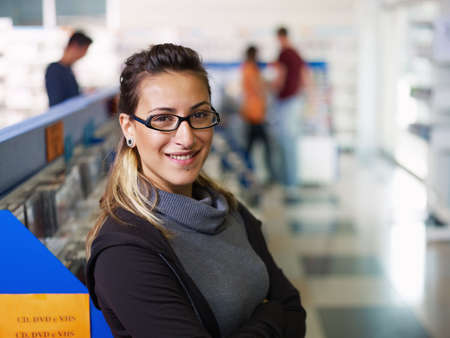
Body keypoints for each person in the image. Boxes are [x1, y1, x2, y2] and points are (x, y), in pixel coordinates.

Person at [85, 43, 306, 338]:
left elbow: (295, 311)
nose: (186, 138)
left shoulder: (227, 210)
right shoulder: (125, 251)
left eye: (199, 115)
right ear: (128, 127)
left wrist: (276, 316)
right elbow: (284, 313)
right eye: (163, 119)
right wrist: (270, 317)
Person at [270, 26, 311, 203]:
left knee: (287, 143)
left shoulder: (284, 54)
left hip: (286, 102)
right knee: (290, 142)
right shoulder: (296, 53)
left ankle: (290, 186)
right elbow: (305, 76)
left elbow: (280, 78)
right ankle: (290, 184)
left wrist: (269, 88)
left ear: (279, 37)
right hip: (295, 101)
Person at [240, 45, 274, 184]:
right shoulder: (249, 69)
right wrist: (268, 84)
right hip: (254, 115)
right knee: (262, 146)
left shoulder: (250, 68)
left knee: (252, 147)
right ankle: (263, 176)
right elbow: (258, 87)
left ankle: (247, 177)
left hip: (255, 113)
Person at [45, 30, 92, 107]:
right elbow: (56, 102)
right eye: (84, 50)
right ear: (75, 46)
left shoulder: (68, 69)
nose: (84, 55)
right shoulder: (54, 70)